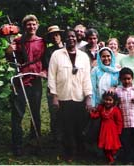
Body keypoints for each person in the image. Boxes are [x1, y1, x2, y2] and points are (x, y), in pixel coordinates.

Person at [48, 29, 93, 162]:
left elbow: (87, 78)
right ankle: (69, 152)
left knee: (79, 125)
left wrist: (88, 97)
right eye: (68, 37)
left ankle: (80, 151)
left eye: (73, 36)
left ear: (76, 38)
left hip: (79, 96)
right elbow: (51, 76)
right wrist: (54, 96)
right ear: (64, 39)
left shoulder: (84, 57)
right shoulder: (56, 55)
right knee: (66, 126)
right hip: (63, 96)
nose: (71, 39)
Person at [5, 14, 46, 156]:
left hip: (35, 80)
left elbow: (45, 61)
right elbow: (10, 60)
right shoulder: (17, 41)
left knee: (35, 113)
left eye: (34, 24)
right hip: (20, 80)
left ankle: (35, 142)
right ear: (24, 26)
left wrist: (44, 72)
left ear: (37, 25)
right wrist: (8, 51)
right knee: (18, 113)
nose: (32, 26)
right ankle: (17, 144)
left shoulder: (42, 42)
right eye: (29, 24)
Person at [89, 91, 123, 164]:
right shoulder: (101, 108)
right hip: (103, 129)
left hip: (112, 131)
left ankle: (113, 156)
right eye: (106, 100)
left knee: (112, 145)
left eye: (110, 100)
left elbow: (119, 121)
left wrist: (119, 131)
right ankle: (110, 158)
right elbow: (97, 115)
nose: (108, 102)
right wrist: (91, 114)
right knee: (105, 145)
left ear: (114, 101)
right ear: (104, 100)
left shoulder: (115, 109)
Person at [44, 25, 64, 143]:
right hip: (54, 84)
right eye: (52, 35)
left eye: (57, 34)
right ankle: (55, 137)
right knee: (54, 110)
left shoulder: (67, 48)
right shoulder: (48, 51)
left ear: (60, 35)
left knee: (65, 111)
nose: (55, 37)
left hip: (67, 84)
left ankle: (65, 135)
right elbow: (49, 68)